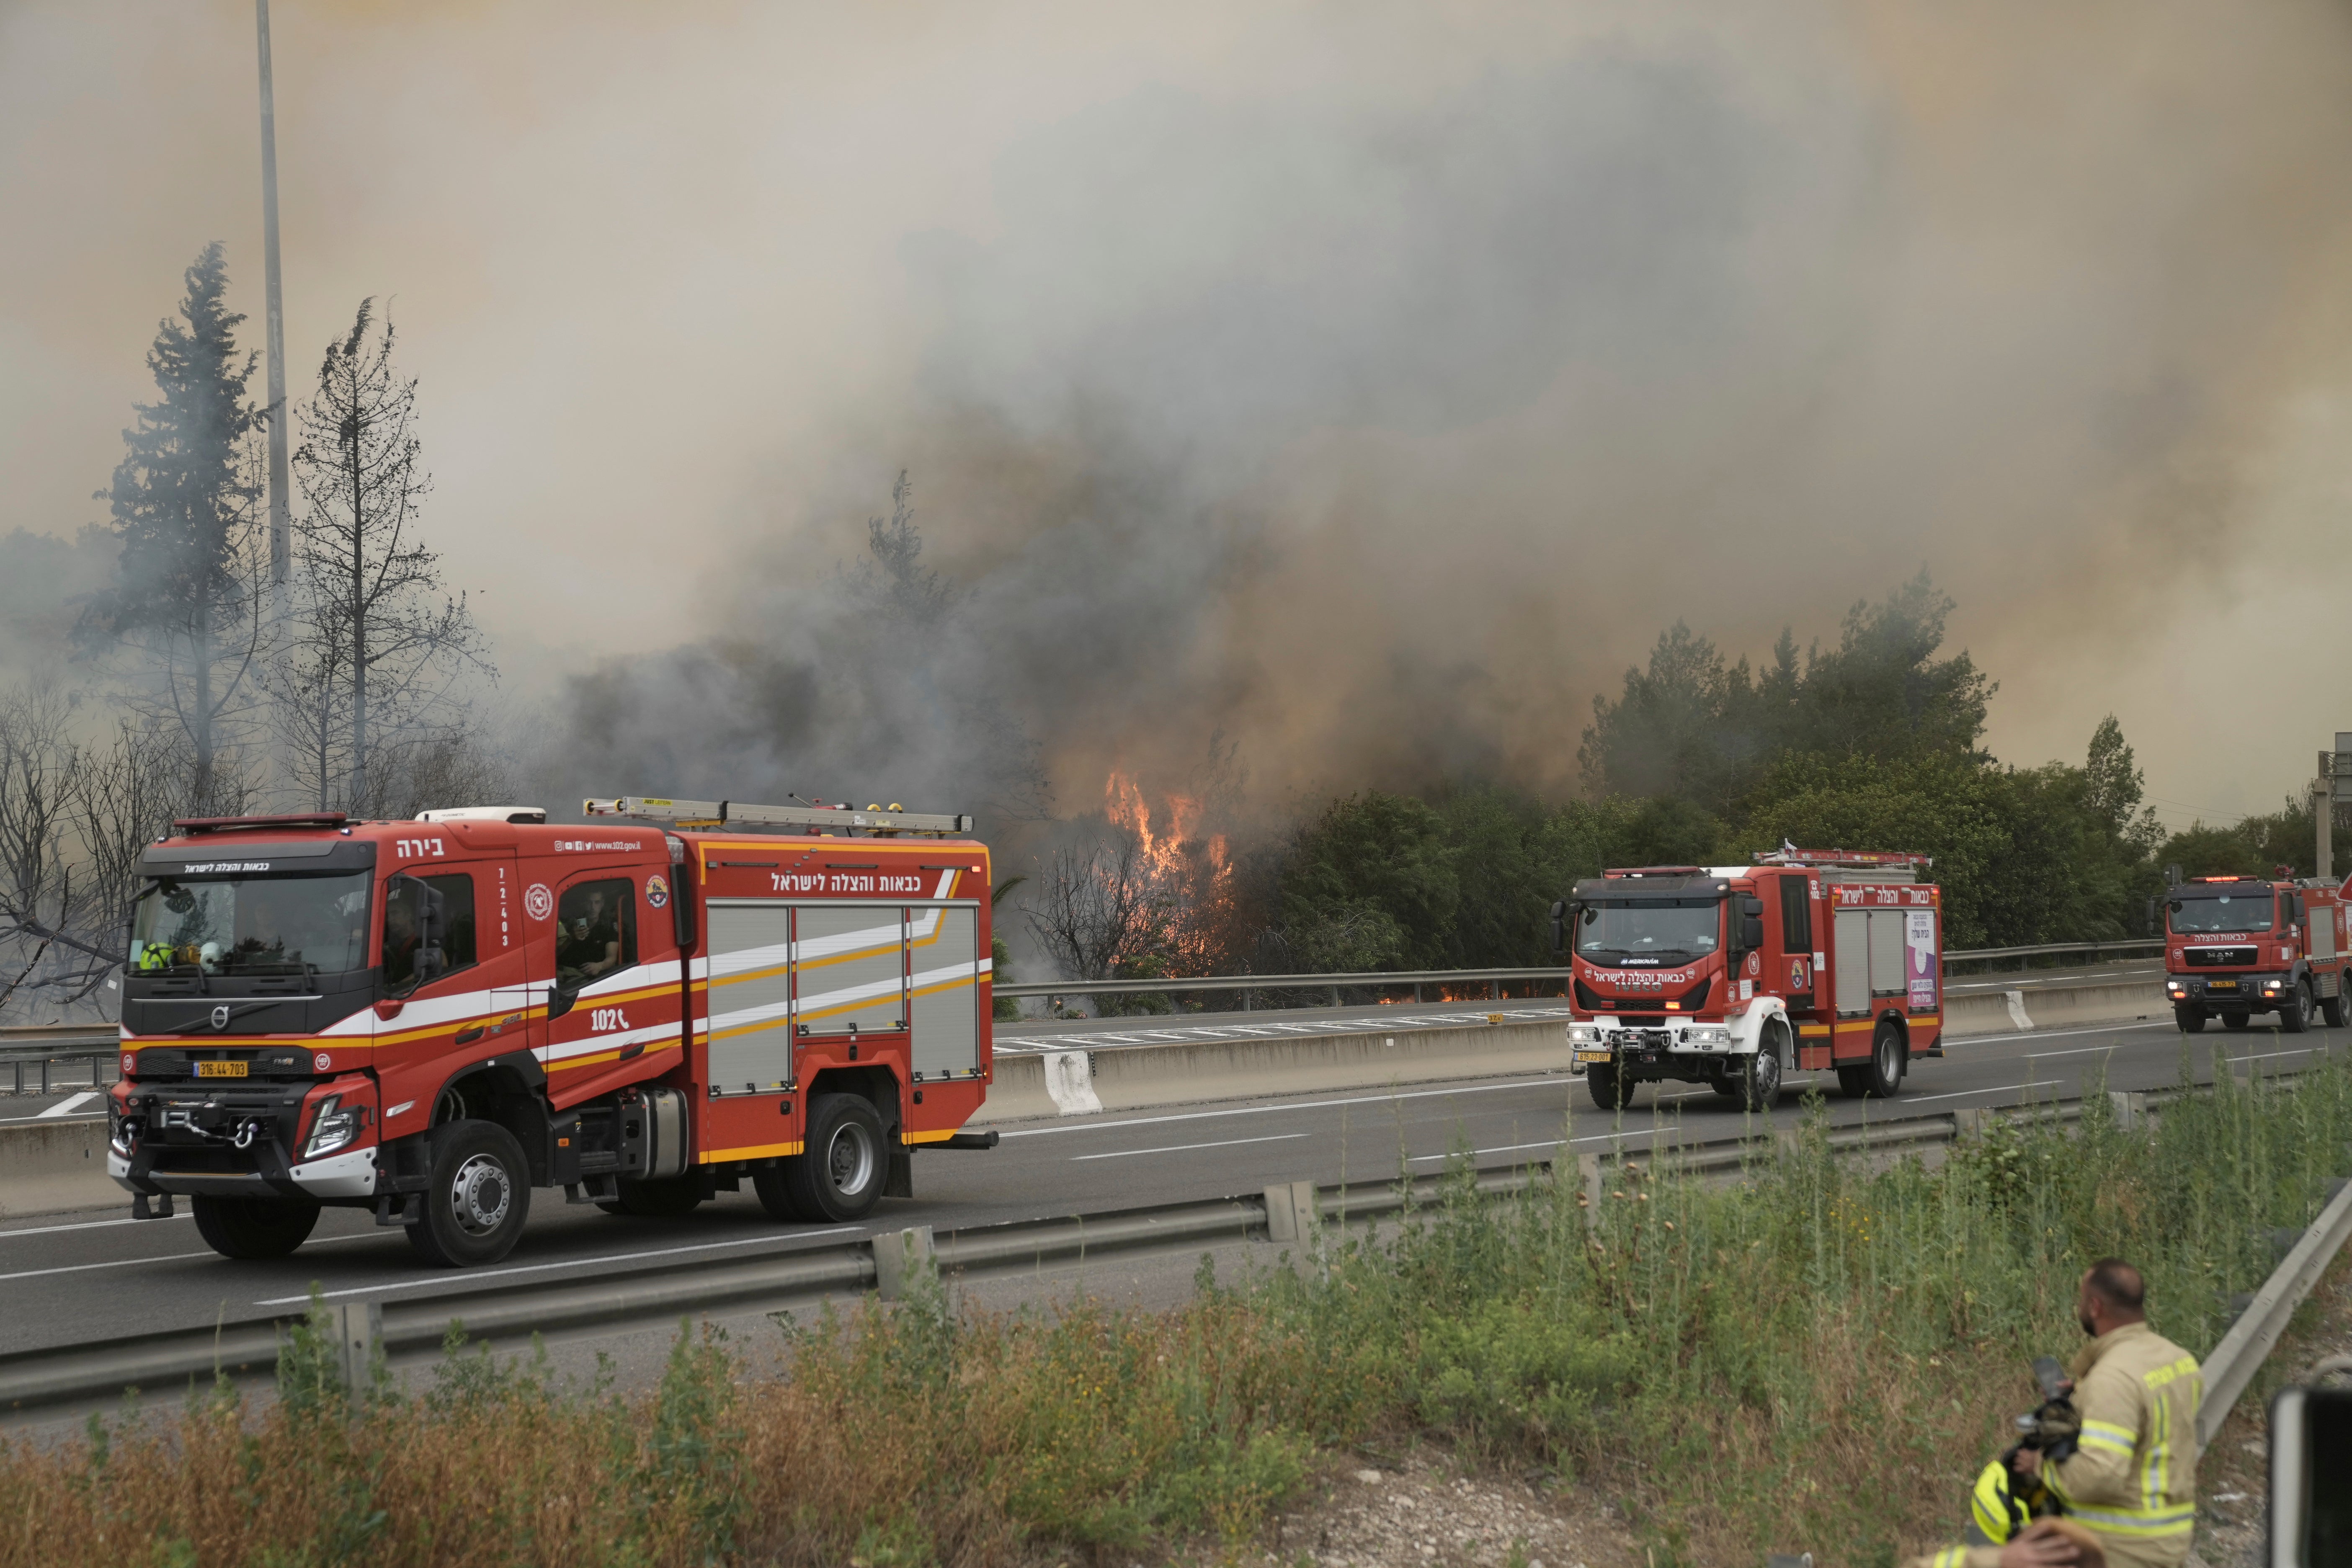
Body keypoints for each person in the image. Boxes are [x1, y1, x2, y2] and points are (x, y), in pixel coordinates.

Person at [1906, 1259, 2199, 1568]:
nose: (2079, 1307)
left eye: (2082, 1300)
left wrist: (2040, 1465)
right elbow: (2149, 1424)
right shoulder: (2178, 1360)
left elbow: (2100, 1476)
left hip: (2121, 1550)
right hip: (2171, 1539)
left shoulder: (2112, 1380)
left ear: (2096, 1306)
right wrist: (2084, 1396)